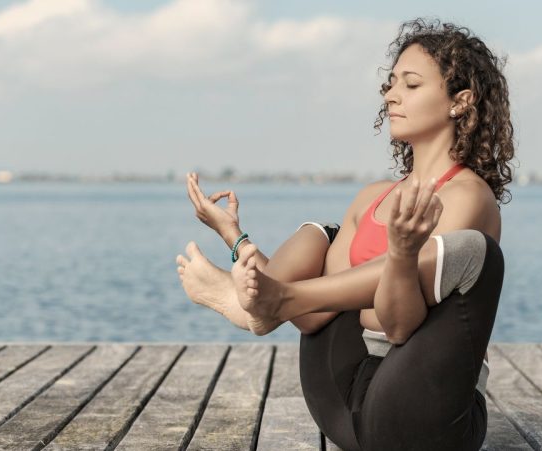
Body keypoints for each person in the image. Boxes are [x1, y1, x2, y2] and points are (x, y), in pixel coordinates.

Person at [176, 17, 515, 451]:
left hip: (421, 413)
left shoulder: (469, 197)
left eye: (411, 85)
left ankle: (260, 306)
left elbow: (397, 327)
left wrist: (402, 255)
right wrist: (235, 238)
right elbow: (313, 316)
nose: (392, 95)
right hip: (344, 404)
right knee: (323, 235)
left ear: (460, 101)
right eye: (390, 84)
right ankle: (258, 306)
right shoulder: (373, 197)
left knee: (476, 251)